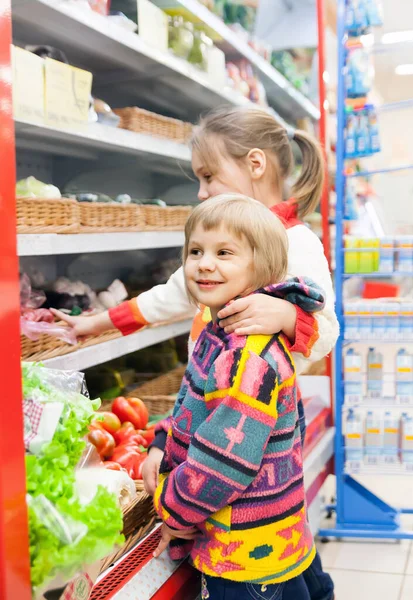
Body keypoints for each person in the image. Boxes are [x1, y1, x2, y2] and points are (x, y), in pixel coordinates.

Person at [53, 106, 337, 600]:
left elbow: (326, 327)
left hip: (244, 529)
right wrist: (90, 324)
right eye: (197, 254)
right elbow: (166, 298)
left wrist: (287, 316)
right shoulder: (217, 267)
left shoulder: (293, 249)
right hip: (244, 483)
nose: (201, 191)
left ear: (255, 165)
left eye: (209, 176)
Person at [152, 194, 325, 600]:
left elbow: (225, 464)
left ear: (260, 266)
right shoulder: (222, 334)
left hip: (243, 559)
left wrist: (171, 507)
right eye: (195, 250)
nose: (204, 263)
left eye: (224, 252)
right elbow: (195, 408)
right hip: (268, 540)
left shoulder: (246, 357)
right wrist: (163, 438)